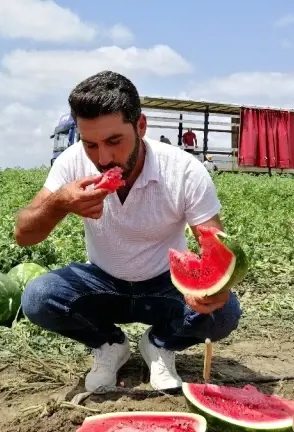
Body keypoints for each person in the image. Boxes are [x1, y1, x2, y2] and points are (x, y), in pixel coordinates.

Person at [14, 71, 242, 392]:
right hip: (103, 283)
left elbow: (215, 247)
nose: (103, 158)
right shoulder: (71, 162)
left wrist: (215, 285)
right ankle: (110, 344)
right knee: (38, 298)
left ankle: (160, 343)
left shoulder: (183, 169)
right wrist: (59, 204)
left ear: (141, 126)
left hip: (165, 286)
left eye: (114, 141)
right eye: (90, 144)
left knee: (226, 312)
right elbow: (23, 234)